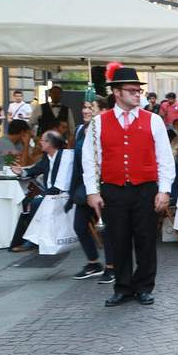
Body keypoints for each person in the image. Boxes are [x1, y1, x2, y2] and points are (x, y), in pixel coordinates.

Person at [81, 64, 176, 307]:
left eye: (138, 90)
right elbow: (90, 159)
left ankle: (144, 286)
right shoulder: (99, 123)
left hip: (145, 188)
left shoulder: (153, 120)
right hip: (113, 189)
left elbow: (165, 158)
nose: (137, 94)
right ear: (117, 93)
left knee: (145, 240)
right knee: (118, 239)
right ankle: (122, 287)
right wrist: (92, 191)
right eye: (132, 90)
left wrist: (164, 190)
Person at [8, 130, 72, 252]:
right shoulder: (47, 158)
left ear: (50, 143)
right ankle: (29, 238)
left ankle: (32, 241)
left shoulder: (66, 157)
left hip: (63, 195)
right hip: (50, 194)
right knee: (27, 201)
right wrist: (21, 171)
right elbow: (35, 169)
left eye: (42, 140)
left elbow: (63, 183)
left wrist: (45, 195)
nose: (39, 142)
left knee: (35, 203)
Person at [67, 100, 110, 281]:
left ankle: (112, 266)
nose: (85, 110)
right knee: (79, 226)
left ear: (103, 111)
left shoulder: (105, 129)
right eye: (84, 107)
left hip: (105, 185)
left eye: (91, 107)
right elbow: (76, 162)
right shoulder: (79, 130)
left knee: (107, 228)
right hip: (84, 186)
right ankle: (93, 262)